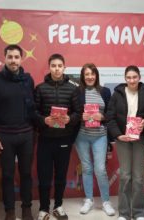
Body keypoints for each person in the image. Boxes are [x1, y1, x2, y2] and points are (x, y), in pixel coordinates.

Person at [0, 44, 35, 220]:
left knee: (26, 173)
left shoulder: (28, 80)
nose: (13, 60)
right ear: (4, 58)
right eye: (10, 57)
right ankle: (10, 212)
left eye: (16, 57)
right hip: (4, 136)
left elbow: (32, 107)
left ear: (21, 59)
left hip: (27, 135)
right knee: (7, 175)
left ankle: (26, 209)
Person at [106, 65, 144, 220]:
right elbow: (110, 117)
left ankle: (139, 212)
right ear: (125, 78)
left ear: (139, 77)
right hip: (123, 139)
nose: (132, 80)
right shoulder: (117, 94)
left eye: (134, 77)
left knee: (137, 176)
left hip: (140, 139)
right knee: (125, 176)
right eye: (128, 77)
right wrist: (118, 135)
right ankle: (123, 213)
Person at [34, 53, 82, 220]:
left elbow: (78, 113)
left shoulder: (73, 89)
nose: (56, 69)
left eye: (59, 66)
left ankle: (58, 206)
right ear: (49, 68)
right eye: (53, 66)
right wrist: (43, 120)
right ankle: (43, 209)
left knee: (61, 175)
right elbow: (33, 113)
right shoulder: (40, 88)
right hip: (45, 139)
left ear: (64, 68)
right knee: (44, 176)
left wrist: (70, 119)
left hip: (64, 139)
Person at [75, 63, 116, 216]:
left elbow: (111, 113)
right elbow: (73, 113)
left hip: (100, 135)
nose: (90, 77)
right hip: (81, 136)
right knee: (86, 168)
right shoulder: (77, 92)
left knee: (100, 169)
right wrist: (80, 117)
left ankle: (106, 201)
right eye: (87, 74)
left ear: (96, 76)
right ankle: (89, 200)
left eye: (92, 74)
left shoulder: (105, 91)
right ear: (83, 76)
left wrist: (102, 116)